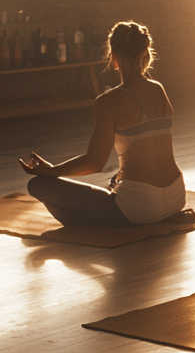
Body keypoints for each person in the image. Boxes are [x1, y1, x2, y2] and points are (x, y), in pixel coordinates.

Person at [19, 21, 186, 227]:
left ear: (113, 57)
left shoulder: (108, 101)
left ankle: (96, 226)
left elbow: (95, 163)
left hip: (140, 207)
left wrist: (51, 171)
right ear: (146, 54)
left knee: (39, 185)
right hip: (177, 196)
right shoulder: (158, 90)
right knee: (114, 184)